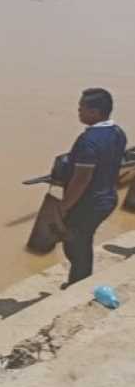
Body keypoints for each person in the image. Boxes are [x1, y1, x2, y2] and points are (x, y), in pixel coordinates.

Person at [56, 88, 128, 287]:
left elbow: (81, 180)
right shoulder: (118, 133)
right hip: (108, 197)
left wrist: (64, 206)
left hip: (89, 203)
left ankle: (78, 284)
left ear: (95, 112)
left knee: (75, 244)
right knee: (83, 240)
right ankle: (79, 279)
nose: (78, 112)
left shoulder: (87, 141)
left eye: (82, 109)